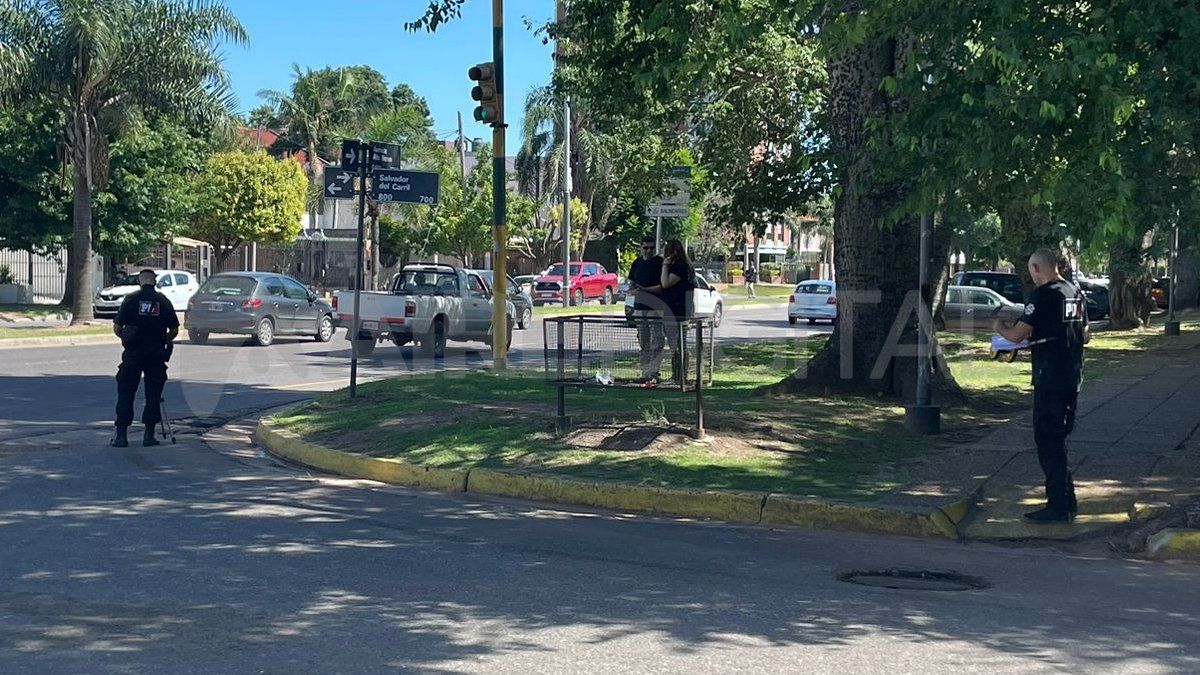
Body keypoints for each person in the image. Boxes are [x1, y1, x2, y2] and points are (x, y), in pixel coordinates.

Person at [995, 249, 1088, 523]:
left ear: (1037, 268)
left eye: (1031, 271)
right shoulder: (1074, 291)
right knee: (1058, 439)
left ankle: (1058, 506)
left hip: (1050, 377)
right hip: (1072, 375)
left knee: (1047, 441)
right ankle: (1067, 501)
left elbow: (1015, 336)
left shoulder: (1043, 295)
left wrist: (999, 327)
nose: (1032, 276)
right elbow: (1085, 335)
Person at [111, 269, 180, 447]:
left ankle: (121, 436)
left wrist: (126, 338)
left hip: (133, 353)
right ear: (155, 281)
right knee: (153, 395)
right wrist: (164, 339)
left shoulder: (131, 299)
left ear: (140, 281)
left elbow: (117, 327)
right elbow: (174, 329)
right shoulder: (163, 301)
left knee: (126, 393)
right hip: (156, 354)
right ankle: (149, 435)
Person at [628, 236, 666, 383]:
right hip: (639, 308)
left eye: (651, 248)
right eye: (646, 248)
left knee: (657, 341)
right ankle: (645, 373)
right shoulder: (637, 263)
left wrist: (644, 290)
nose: (649, 250)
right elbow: (631, 284)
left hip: (655, 308)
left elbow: (662, 286)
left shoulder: (659, 262)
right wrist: (633, 293)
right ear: (641, 248)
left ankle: (654, 372)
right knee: (644, 342)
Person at [659, 239, 696, 386]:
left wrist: (665, 266)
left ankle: (679, 376)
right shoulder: (684, 266)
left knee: (678, 346)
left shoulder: (680, 266)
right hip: (677, 310)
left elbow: (665, 283)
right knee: (678, 345)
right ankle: (678, 375)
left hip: (677, 311)